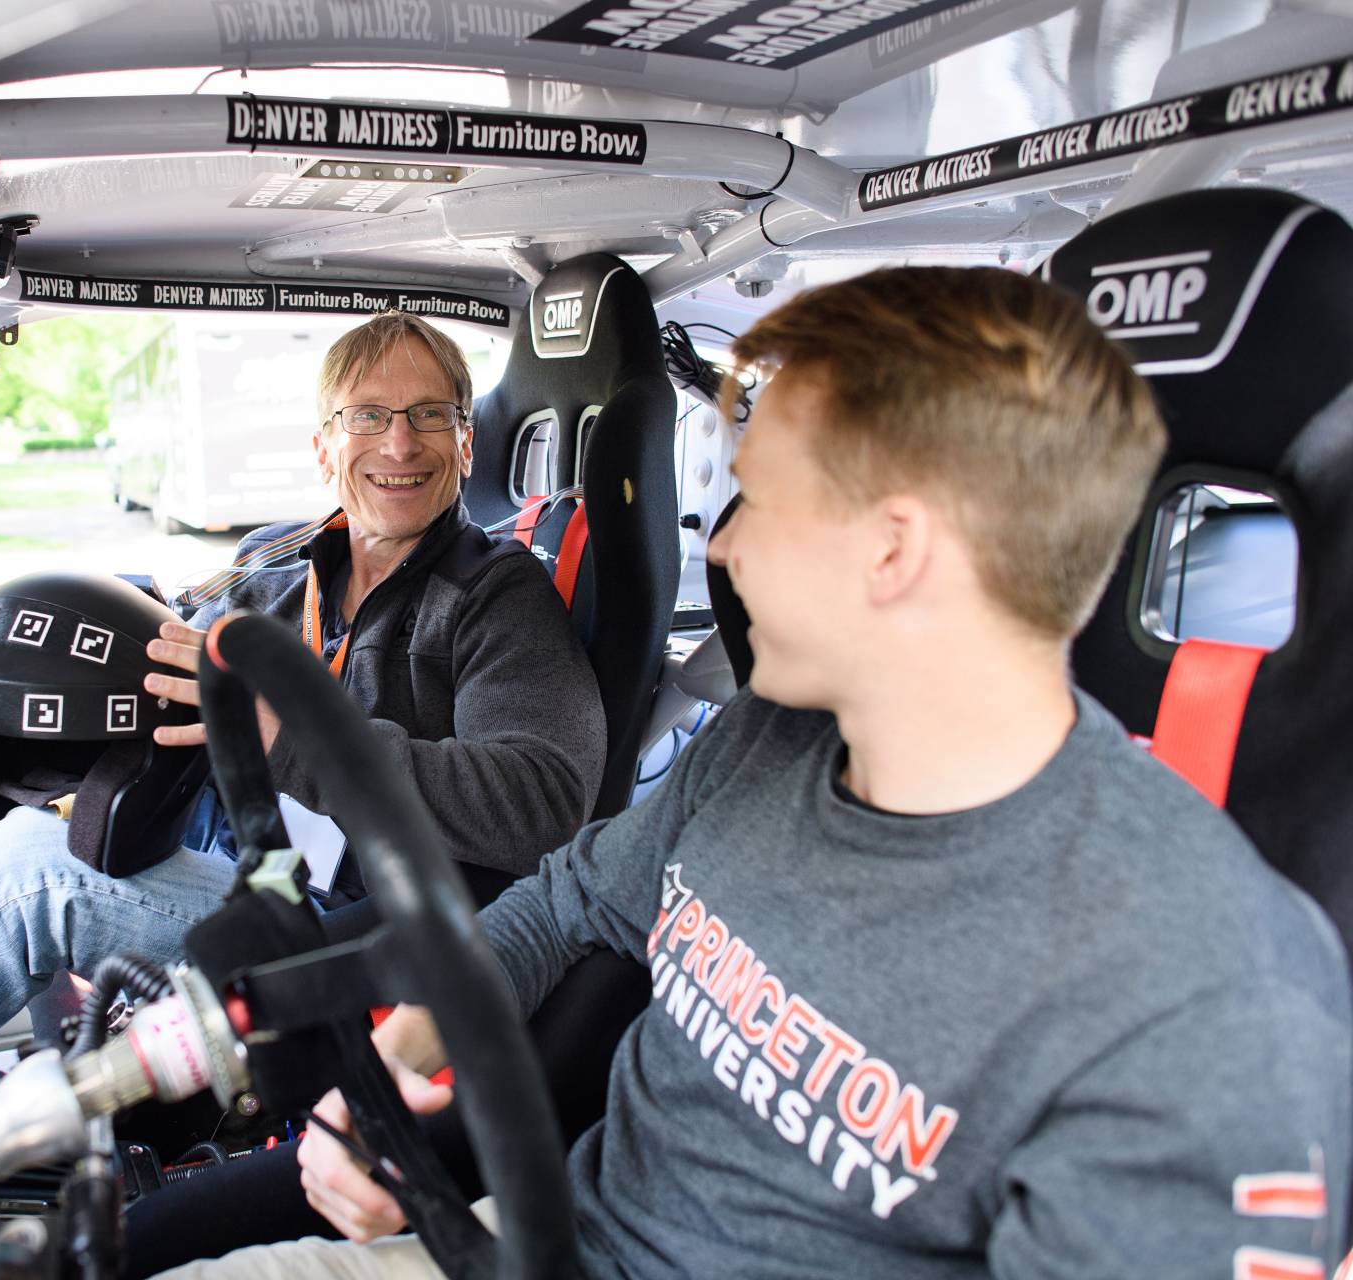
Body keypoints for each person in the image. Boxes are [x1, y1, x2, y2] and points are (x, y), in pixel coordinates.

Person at [161, 266, 1353, 1278]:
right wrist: (396, 1063)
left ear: (894, 548)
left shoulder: (1211, 1004)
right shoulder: (766, 742)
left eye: (756, 500)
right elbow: (564, 899)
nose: (717, 545)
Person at [0, 310, 606, 1144]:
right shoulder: (278, 558)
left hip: (342, 916)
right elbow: (168, 652)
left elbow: (540, 801)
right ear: (323, 446)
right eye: (367, 416)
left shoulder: (498, 596)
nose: (399, 443)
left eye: (429, 417)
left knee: (25, 877)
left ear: (465, 441)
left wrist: (286, 736)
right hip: (227, 840)